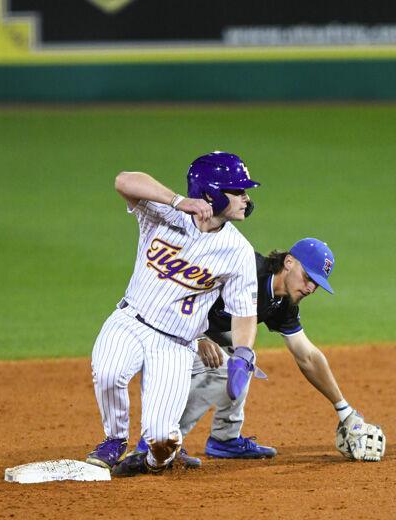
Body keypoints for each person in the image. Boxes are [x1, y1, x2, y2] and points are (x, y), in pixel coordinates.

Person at [85, 151, 263, 478]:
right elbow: (124, 180)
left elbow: (244, 313)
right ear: (212, 193)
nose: (246, 199)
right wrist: (178, 201)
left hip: (175, 345)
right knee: (109, 373)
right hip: (129, 321)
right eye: (238, 191)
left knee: (160, 439)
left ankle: (157, 458)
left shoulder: (238, 252)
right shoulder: (164, 213)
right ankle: (114, 440)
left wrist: (243, 352)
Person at [132, 238, 383, 462]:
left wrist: (344, 409)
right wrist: (197, 336)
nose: (309, 288)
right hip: (161, 330)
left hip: (193, 335)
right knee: (221, 366)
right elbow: (179, 284)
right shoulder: (245, 267)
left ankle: (225, 440)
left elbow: (306, 355)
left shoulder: (282, 303)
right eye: (308, 278)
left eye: (316, 284)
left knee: (242, 357)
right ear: (289, 262)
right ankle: (158, 444)